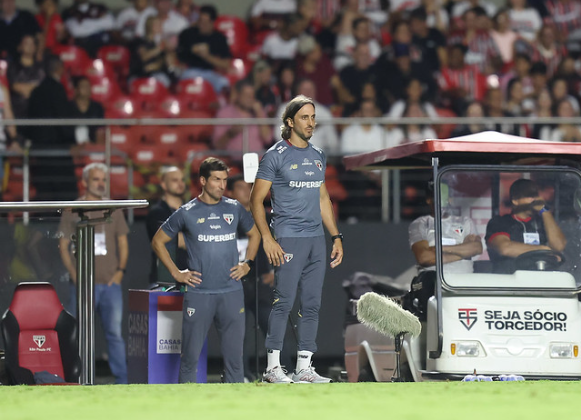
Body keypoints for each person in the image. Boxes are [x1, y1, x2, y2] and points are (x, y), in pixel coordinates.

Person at [250, 94, 344, 383]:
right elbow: (256, 201)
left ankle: (304, 367)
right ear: (289, 122)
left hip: (317, 239)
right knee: (284, 302)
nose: (311, 123)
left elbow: (323, 198)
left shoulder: (318, 155)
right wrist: (267, 238)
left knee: (312, 303)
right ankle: (272, 368)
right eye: (305, 117)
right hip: (288, 239)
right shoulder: (275, 155)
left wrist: (336, 236)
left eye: (313, 117)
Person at [151, 157, 261, 383]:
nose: (222, 185)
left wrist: (247, 263)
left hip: (231, 292)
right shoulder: (187, 211)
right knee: (190, 358)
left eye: (224, 180)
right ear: (203, 180)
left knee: (235, 361)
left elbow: (255, 234)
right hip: (199, 294)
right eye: (216, 180)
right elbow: (158, 241)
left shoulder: (234, 208)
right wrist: (176, 273)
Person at [58, 162, 129, 384]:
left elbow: (123, 243)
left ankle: (122, 381)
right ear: (85, 182)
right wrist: (75, 275)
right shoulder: (73, 208)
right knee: (76, 334)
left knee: (115, 335)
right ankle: (75, 378)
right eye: (96, 179)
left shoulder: (113, 209)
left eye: (103, 180)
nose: (101, 184)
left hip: (110, 284)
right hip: (81, 285)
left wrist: (120, 272)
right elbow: (63, 246)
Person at [226, 173, 276, 381]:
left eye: (249, 187)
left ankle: (281, 369)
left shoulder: (263, 216)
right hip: (235, 284)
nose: (247, 191)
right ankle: (241, 374)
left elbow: (276, 244)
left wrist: (274, 271)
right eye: (241, 187)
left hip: (259, 283)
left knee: (272, 327)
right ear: (230, 192)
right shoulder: (225, 218)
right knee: (239, 333)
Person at [485, 178, 567, 274]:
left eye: (536, 195)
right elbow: (505, 248)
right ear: (515, 200)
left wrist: (545, 211)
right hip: (509, 280)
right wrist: (542, 250)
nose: (535, 200)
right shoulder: (500, 222)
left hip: (542, 280)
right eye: (529, 196)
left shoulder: (545, 222)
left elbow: (559, 246)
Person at [145, 166, 187, 285]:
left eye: (182, 180)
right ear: (163, 184)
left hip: (190, 277)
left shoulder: (191, 210)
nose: (180, 183)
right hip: (164, 279)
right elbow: (172, 240)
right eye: (175, 180)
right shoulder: (157, 212)